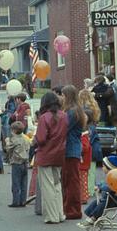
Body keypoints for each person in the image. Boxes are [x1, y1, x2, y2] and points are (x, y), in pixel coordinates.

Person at [32, 91, 68, 224]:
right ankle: (59, 214)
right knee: (57, 185)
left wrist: (34, 140)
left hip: (46, 153)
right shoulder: (64, 116)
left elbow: (41, 138)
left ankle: (52, 216)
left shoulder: (44, 117)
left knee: (47, 186)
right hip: (59, 153)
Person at [77, 154, 117, 230]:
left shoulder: (116, 178)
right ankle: (90, 217)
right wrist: (100, 185)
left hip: (115, 200)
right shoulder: (111, 176)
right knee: (96, 202)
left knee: (102, 204)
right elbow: (105, 184)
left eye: (104, 166)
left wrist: (101, 187)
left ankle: (93, 218)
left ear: (109, 168)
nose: (102, 168)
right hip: (111, 198)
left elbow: (109, 187)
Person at [61, 85, 87, 220]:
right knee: (70, 180)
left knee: (71, 182)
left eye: (63, 95)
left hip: (70, 150)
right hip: (73, 149)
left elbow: (63, 128)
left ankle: (73, 210)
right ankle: (70, 208)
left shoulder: (72, 112)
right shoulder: (76, 110)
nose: (62, 97)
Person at [5, 121, 30, 206]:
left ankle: (16, 201)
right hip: (25, 162)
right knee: (24, 183)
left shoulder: (14, 140)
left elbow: (8, 149)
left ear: (14, 130)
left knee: (16, 183)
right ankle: (23, 201)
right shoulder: (25, 139)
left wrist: (7, 141)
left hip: (17, 162)